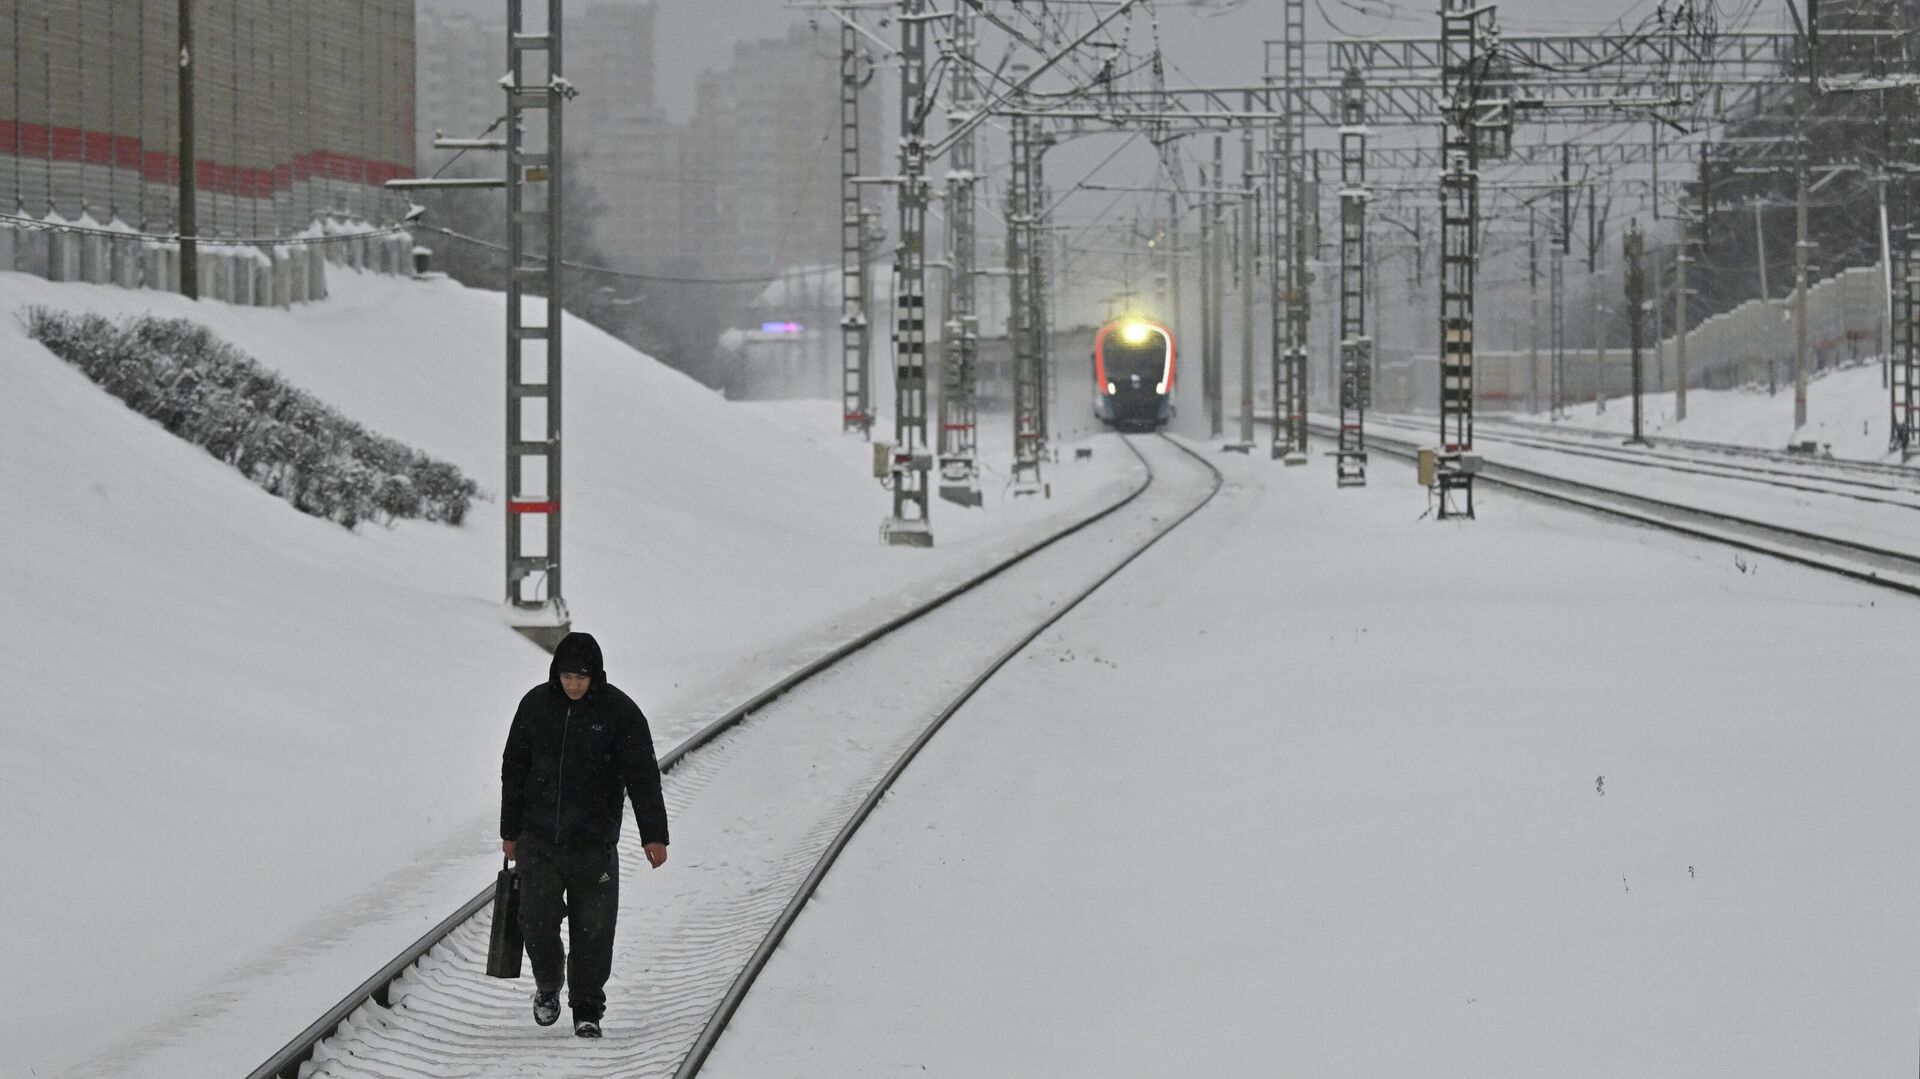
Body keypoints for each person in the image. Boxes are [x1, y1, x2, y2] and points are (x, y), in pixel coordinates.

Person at [500, 631, 670, 1038]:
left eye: (581, 677)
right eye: (566, 676)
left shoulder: (619, 713)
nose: (573, 684)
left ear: (595, 676)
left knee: (594, 930)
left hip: (594, 843)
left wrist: (654, 834)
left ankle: (588, 1008)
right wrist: (510, 831)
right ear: (555, 674)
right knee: (535, 920)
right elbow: (514, 769)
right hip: (538, 840)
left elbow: (643, 776)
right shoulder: (535, 706)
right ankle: (547, 985)